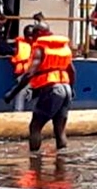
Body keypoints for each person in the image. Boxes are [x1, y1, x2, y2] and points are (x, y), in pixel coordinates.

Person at [19, 21, 76, 154]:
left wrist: (12, 92)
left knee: (35, 126)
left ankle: (33, 160)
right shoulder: (62, 48)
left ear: (38, 33)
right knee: (60, 129)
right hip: (66, 88)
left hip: (53, 90)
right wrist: (71, 89)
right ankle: (61, 162)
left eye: (34, 33)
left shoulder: (40, 48)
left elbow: (29, 73)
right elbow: (72, 72)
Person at [10, 24, 37, 111]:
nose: (30, 38)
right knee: (21, 91)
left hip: (40, 78)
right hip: (24, 78)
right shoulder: (18, 46)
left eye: (32, 35)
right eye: (28, 35)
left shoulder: (42, 46)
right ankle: (18, 114)